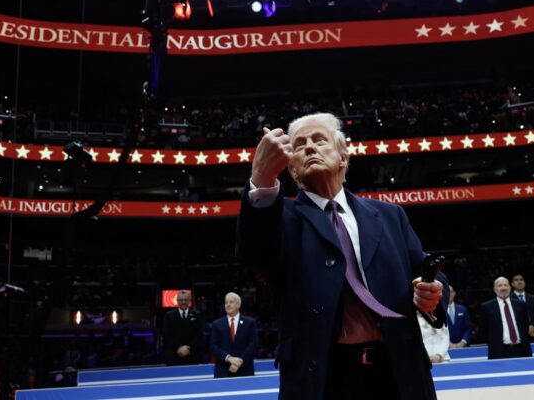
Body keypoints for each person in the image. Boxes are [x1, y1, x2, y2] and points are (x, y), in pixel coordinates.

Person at [237, 113, 446, 400]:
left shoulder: (389, 215)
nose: (309, 147)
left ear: (343, 158)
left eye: (319, 140)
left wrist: (433, 294)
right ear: (293, 172)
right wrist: (260, 179)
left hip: (399, 371)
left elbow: (426, 271)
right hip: (323, 378)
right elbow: (254, 256)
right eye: (299, 145)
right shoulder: (278, 218)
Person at [478, 277, 532, 360]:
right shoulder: (486, 307)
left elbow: (525, 325)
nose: (503, 288)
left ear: (510, 287)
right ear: (494, 289)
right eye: (500, 285)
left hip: (522, 350)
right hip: (499, 352)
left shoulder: (520, 305)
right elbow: (483, 331)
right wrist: (494, 344)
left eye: (505, 285)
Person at [208, 293, 258, 378]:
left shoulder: (250, 323)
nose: (228, 304)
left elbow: (254, 344)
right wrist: (229, 358)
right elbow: (213, 346)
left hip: (245, 370)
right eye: (226, 302)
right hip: (223, 371)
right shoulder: (217, 324)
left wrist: (240, 361)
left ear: (238, 304)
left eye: (231, 302)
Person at [161, 289, 206, 365]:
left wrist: (188, 347)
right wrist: (179, 347)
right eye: (181, 300)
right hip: (174, 356)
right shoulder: (169, 316)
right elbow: (166, 336)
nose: (183, 302)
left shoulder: (197, 315)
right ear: (177, 301)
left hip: (193, 356)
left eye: (185, 300)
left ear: (189, 301)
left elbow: (199, 335)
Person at [510, 274, 534, 338]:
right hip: (517, 334)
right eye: (516, 280)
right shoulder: (509, 300)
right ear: (512, 284)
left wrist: (533, 326)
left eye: (521, 280)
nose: (519, 282)